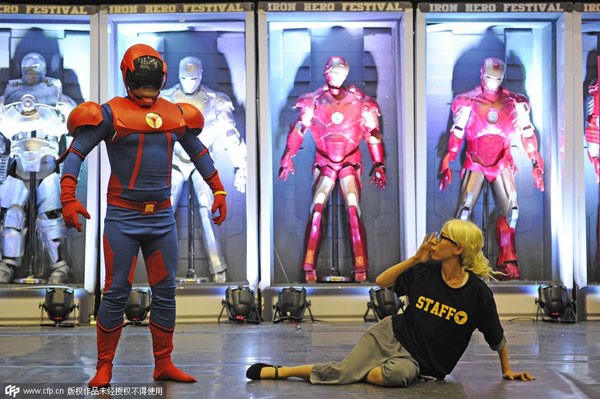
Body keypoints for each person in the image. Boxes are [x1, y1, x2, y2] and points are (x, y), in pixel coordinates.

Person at [59, 44, 227, 387]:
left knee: (165, 290)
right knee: (116, 290)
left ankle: (163, 362)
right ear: (129, 78)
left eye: (153, 85)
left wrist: (218, 188)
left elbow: (199, 151)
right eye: (143, 84)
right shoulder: (108, 114)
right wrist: (67, 198)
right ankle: (104, 366)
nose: (148, 93)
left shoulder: (175, 114)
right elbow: (75, 152)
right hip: (123, 217)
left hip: (160, 218)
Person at [246, 219, 535, 386]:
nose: (434, 242)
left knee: (396, 376)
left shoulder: (477, 293)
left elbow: (496, 336)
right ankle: (281, 371)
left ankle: (363, 370)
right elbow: (382, 282)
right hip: (390, 335)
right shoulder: (424, 271)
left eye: (441, 238)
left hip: (422, 364)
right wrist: (414, 259)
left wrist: (506, 370)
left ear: (458, 249)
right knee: (343, 373)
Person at [278, 55, 386, 283]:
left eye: (341, 73)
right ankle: (309, 267)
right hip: (325, 160)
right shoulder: (313, 100)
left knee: (353, 211)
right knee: (317, 209)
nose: (337, 77)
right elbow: (299, 129)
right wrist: (289, 154)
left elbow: (372, 134)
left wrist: (379, 163)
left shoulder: (361, 101)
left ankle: (361, 268)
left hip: (349, 160)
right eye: (333, 72)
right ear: (326, 72)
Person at [439, 57, 545, 280]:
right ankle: (464, 260)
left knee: (512, 211)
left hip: (502, 160)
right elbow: (457, 132)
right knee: (464, 212)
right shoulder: (467, 101)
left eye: (497, 79)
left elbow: (527, 131)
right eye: (489, 77)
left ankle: (507, 259)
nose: (493, 82)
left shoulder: (515, 102)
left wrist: (535, 159)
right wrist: (448, 158)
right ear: (481, 74)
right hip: (475, 160)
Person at [161, 56, 246, 283]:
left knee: (206, 209)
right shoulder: (165, 99)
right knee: (165, 210)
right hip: (175, 160)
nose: (189, 82)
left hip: (202, 159)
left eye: (193, 77)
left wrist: (241, 166)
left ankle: (218, 269)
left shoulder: (215, 100)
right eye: (184, 78)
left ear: (201, 75)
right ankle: (161, 270)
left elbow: (230, 134)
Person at [0, 52, 76, 284]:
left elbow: (75, 124)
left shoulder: (57, 95)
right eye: (27, 68)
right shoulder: (9, 96)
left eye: (34, 68)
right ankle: (8, 263)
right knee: (12, 215)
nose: (31, 73)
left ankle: (59, 266)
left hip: (47, 164)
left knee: (50, 218)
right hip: (18, 164)